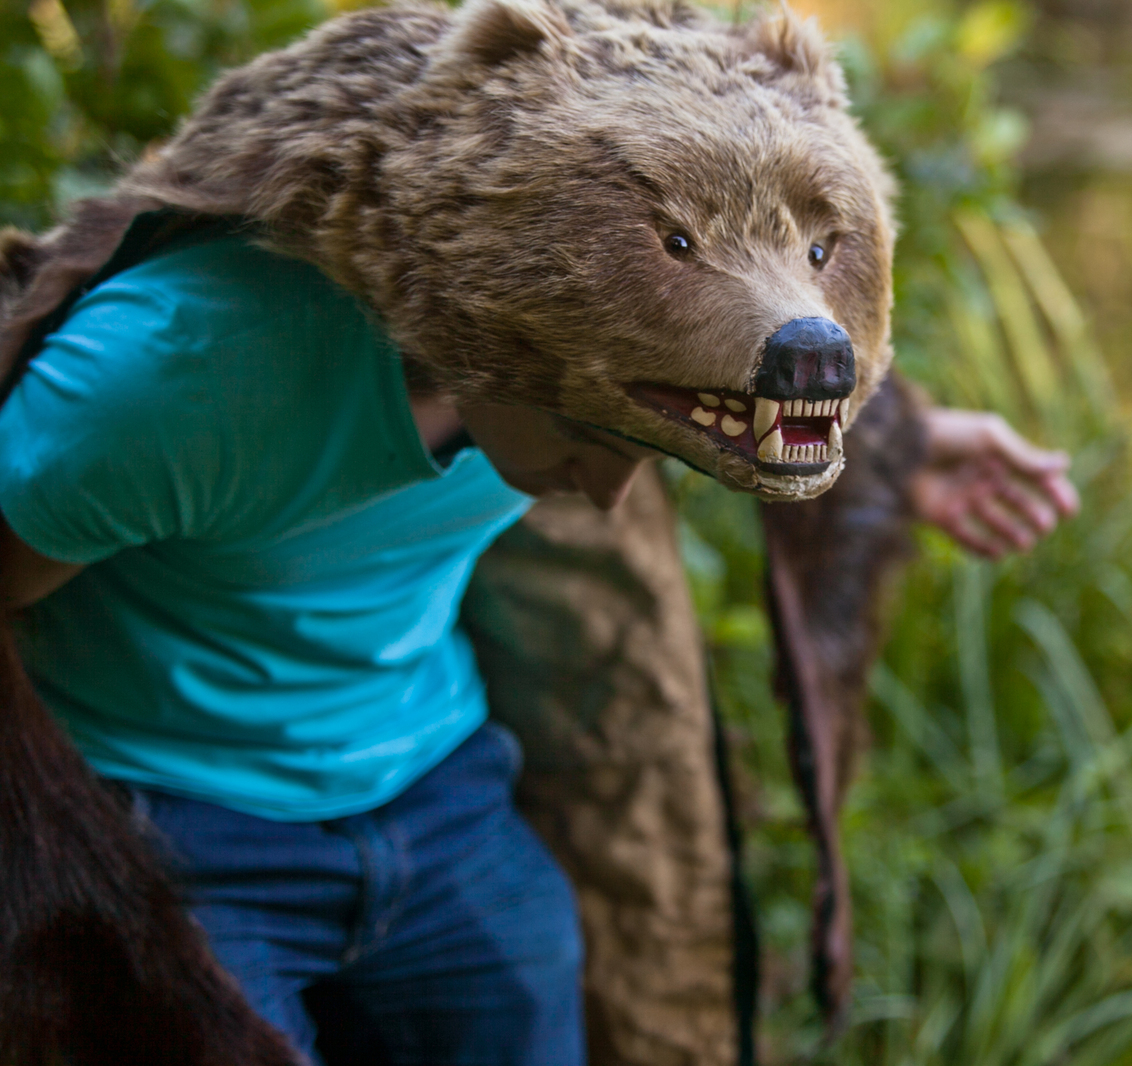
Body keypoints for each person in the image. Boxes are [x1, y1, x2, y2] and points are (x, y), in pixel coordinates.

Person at [0, 226, 1076, 1063]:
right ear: (497, 324)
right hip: (167, 816)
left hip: (435, 784)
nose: (612, 493)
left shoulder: (610, 321)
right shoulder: (178, 371)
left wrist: (895, 440)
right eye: (592, 442)